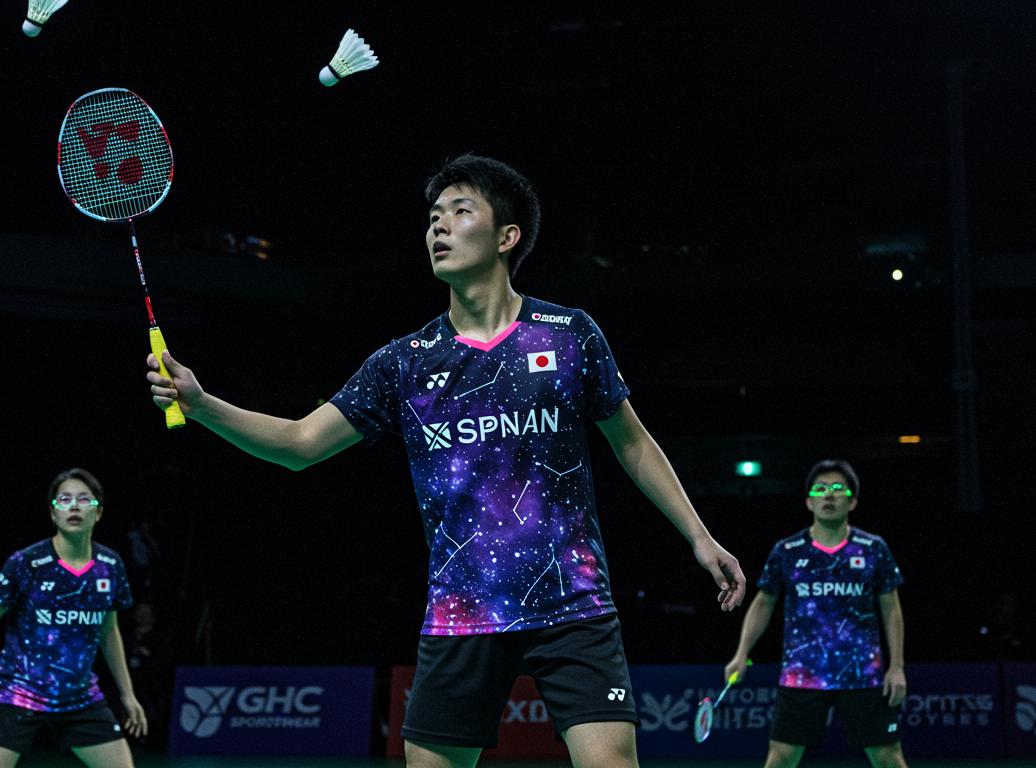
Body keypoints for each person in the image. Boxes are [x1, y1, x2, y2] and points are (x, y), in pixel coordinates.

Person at [144, 154, 746, 768]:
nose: (439, 227)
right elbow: (301, 444)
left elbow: (633, 442)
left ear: (507, 237)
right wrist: (203, 405)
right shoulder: (403, 362)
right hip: (464, 612)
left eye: (460, 212)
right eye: (433, 217)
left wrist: (698, 536)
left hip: (573, 602)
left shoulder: (569, 335)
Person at [0, 468, 148, 768]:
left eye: (84, 499)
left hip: (80, 697)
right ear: (52, 513)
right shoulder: (25, 563)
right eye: (64, 500)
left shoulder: (110, 565)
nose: (73, 506)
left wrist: (128, 695)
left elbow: (109, 633)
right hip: (19, 693)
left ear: (98, 513)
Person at [723, 460, 907, 768]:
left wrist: (897, 666)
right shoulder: (788, 550)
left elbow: (891, 608)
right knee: (780, 759)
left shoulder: (873, 548)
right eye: (820, 489)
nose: (829, 495)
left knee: (889, 758)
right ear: (809, 501)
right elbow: (763, 602)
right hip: (801, 675)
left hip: (863, 674)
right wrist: (742, 654)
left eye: (838, 489)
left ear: (853, 501)